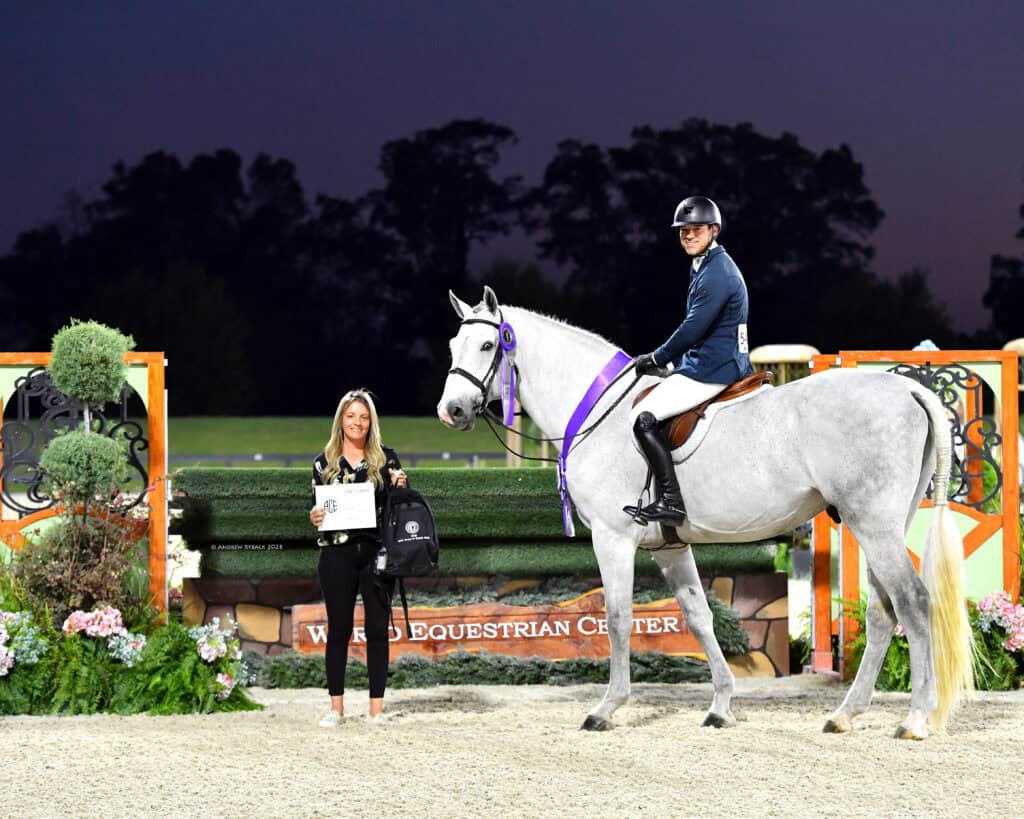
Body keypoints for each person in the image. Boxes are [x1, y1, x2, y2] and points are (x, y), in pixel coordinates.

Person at [624, 196, 753, 526]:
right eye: (683, 231)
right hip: (709, 360)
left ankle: (671, 501)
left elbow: (692, 328)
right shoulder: (705, 265)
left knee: (643, 417)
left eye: (696, 230)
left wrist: (657, 356)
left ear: (714, 230)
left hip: (713, 369)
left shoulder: (717, 273)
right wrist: (671, 365)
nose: (688, 236)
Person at [309, 389, 408, 726]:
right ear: (341, 420)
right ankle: (336, 709)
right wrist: (315, 516)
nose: (357, 422)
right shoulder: (323, 462)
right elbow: (317, 507)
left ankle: (376, 710)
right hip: (336, 555)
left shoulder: (387, 459)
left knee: (378, 630)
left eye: (363, 417)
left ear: (371, 422)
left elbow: (401, 507)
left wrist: (401, 486)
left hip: (378, 555)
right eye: (351, 415)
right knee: (339, 630)